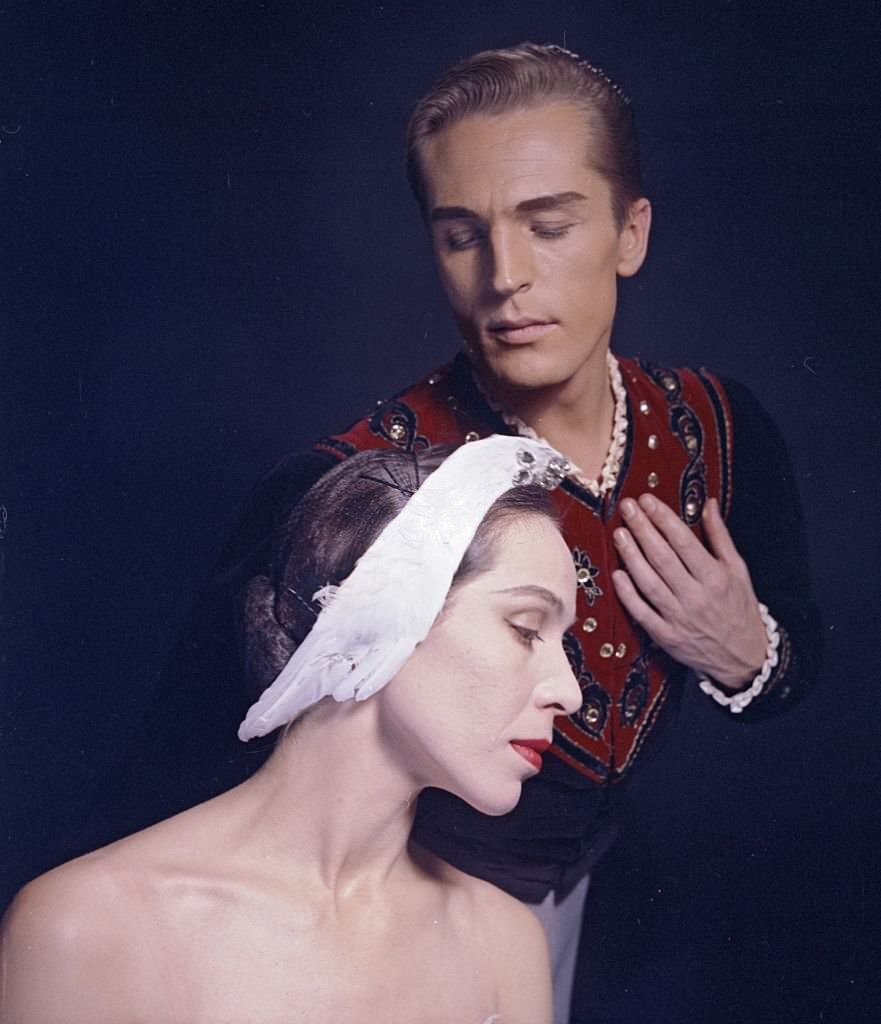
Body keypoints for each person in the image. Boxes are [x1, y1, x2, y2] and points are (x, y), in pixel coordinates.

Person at [77, 42, 820, 1022]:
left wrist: (743, 652)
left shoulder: (721, 430)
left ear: (629, 232)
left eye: (547, 225)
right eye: (460, 235)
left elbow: (796, 665)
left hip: (598, 911)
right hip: (378, 926)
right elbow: (180, 770)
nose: (504, 277)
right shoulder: (347, 480)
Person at [0, 437, 582, 1024]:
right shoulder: (88, 930)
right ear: (379, 614)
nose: (570, 692)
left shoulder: (506, 947)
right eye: (526, 627)